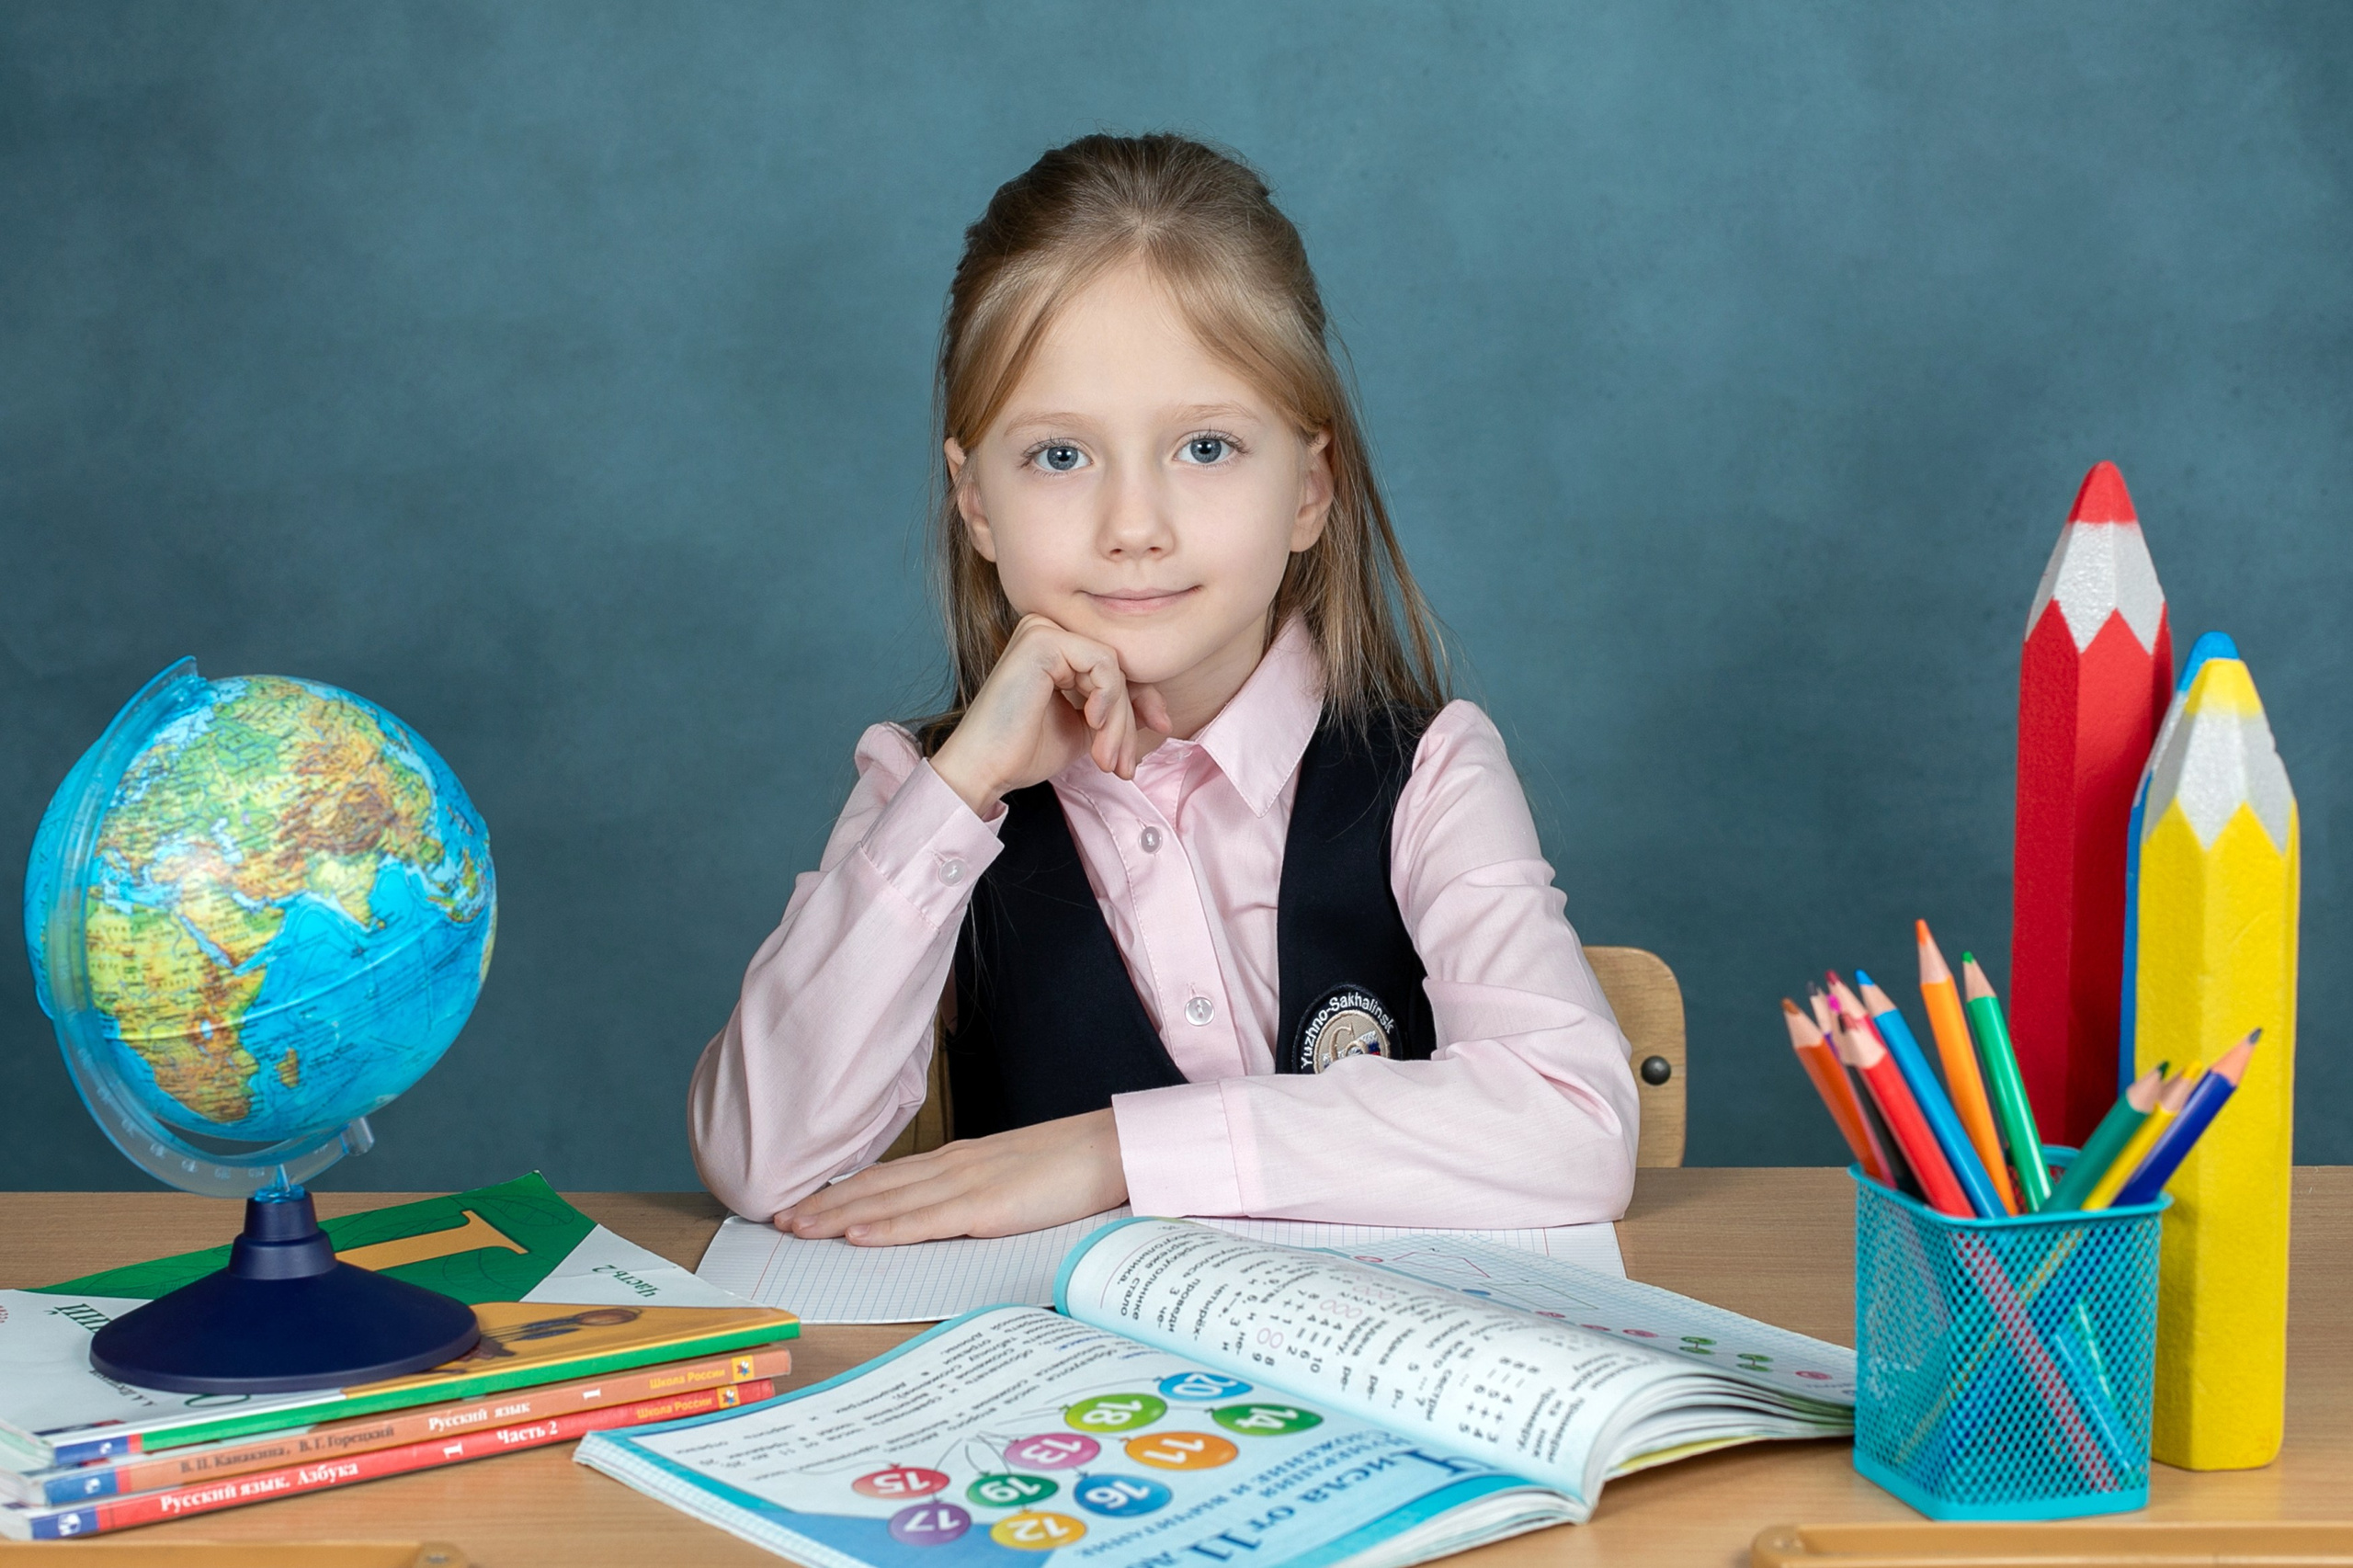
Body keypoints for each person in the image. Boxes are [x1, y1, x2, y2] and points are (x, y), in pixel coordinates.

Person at [691, 132, 1639, 1245]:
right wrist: (962, 789)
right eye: (1059, 456)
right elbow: (762, 1159)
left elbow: (1575, 1123)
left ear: (1309, 489)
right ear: (976, 502)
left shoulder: (1428, 771)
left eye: (1204, 447)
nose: (1133, 526)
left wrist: (1114, 1152)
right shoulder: (927, 790)